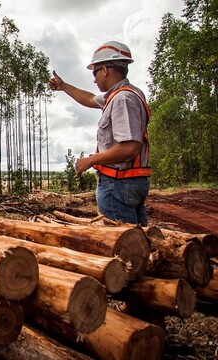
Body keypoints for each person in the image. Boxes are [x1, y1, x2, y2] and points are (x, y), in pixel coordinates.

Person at [49, 41, 151, 226]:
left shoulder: (123, 99)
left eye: (95, 72)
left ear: (105, 70)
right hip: (127, 183)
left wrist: (91, 160)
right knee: (140, 243)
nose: (94, 79)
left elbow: (130, 147)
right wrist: (64, 86)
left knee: (123, 246)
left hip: (119, 184)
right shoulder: (123, 94)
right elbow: (89, 99)